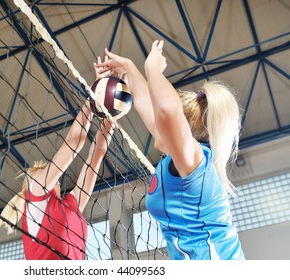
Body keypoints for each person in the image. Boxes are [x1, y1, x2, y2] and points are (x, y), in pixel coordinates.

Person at [96, 40, 245, 260]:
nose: (158, 123)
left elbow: (166, 111)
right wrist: (128, 68)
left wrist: (153, 69)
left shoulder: (196, 162)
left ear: (181, 130)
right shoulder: (177, 160)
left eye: (167, 124)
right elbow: (151, 107)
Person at [0, 59, 114, 260]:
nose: (52, 175)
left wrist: (110, 115)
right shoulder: (35, 196)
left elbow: (95, 157)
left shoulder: (70, 206)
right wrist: (93, 97)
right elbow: (74, 143)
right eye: (42, 171)